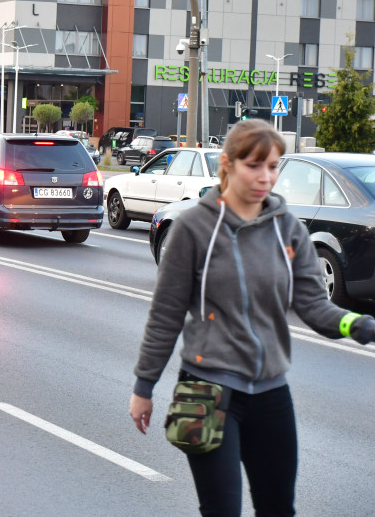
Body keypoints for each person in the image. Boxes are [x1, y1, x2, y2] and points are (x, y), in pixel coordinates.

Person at [128, 119, 375, 516]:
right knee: (222, 509)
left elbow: (313, 305)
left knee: (278, 508)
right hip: (207, 391)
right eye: (254, 166)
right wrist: (144, 387)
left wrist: (357, 325)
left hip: (270, 394)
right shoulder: (193, 228)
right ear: (228, 164)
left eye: (273, 166)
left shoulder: (288, 230)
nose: (265, 177)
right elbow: (165, 315)